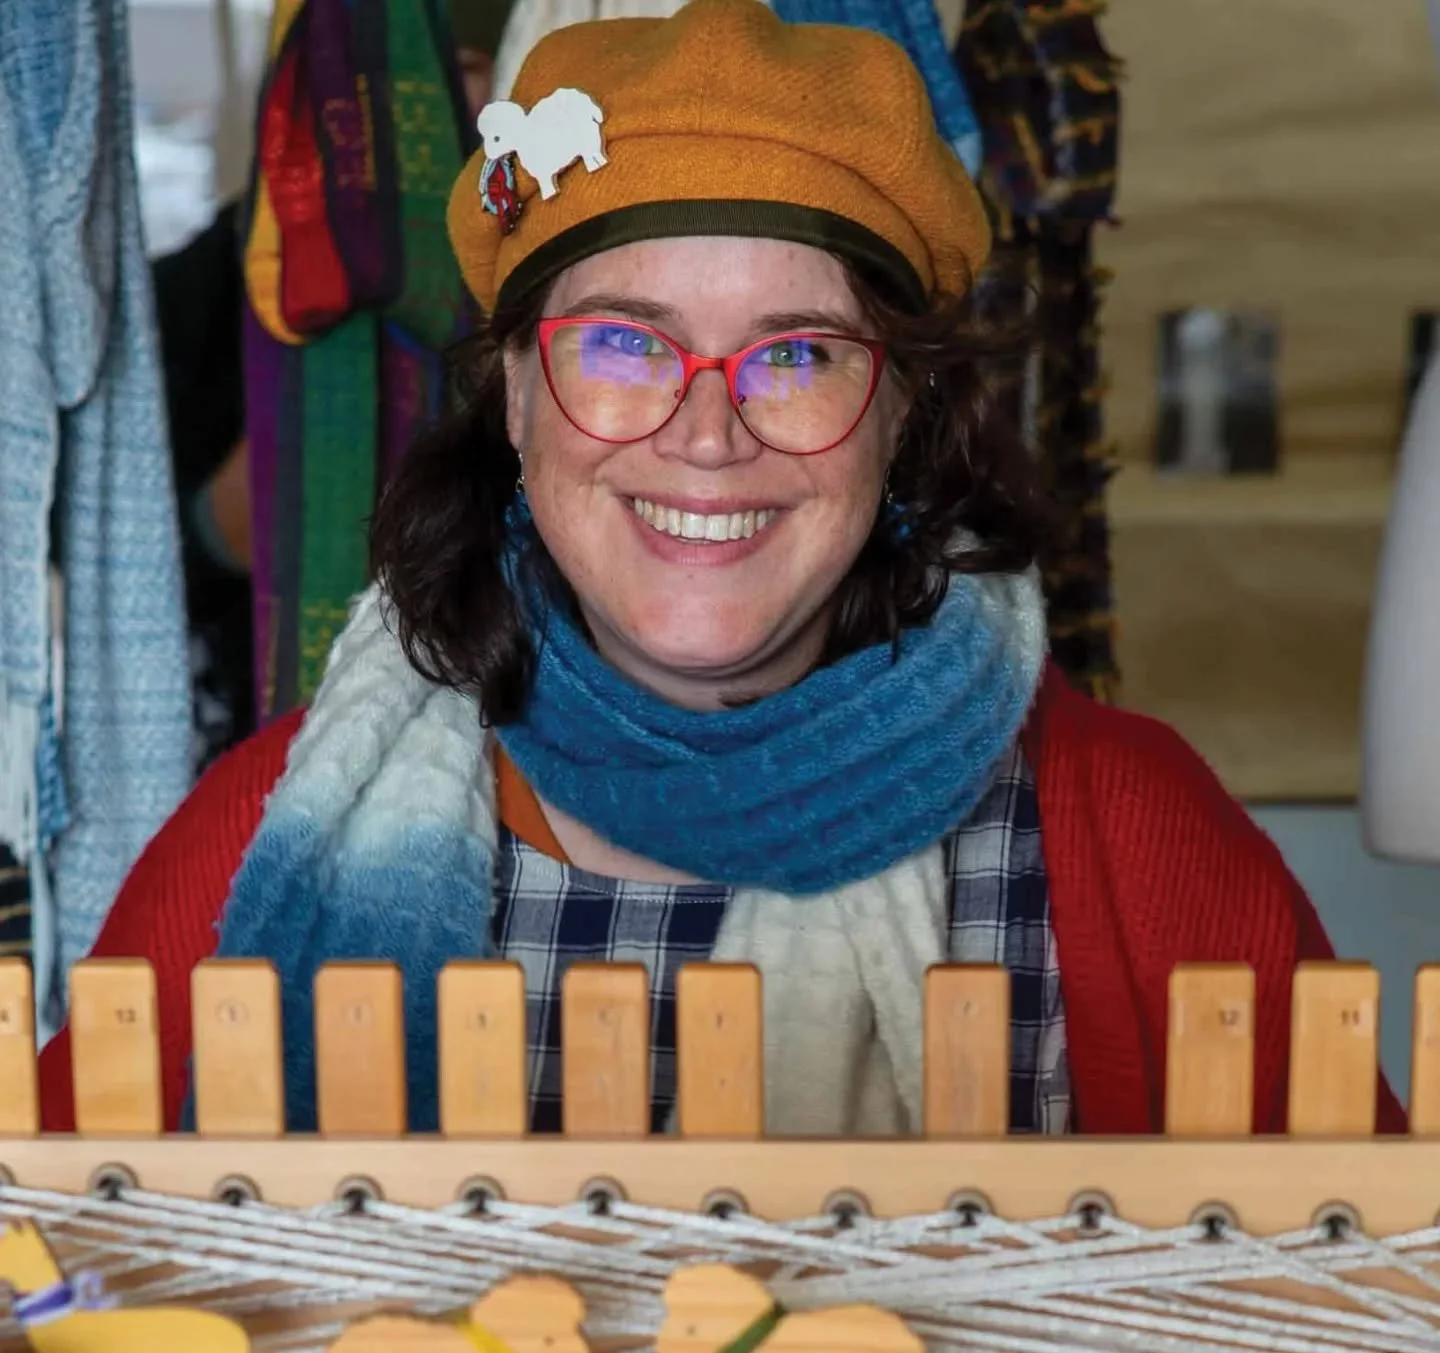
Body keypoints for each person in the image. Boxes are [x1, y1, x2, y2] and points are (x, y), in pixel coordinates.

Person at [38, 0, 1403, 1136]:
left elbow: (1363, 1345)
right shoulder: (259, 835)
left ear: (901, 412)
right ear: (514, 396)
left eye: (798, 355)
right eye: (625, 344)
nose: (706, 432)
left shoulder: (1132, 833)